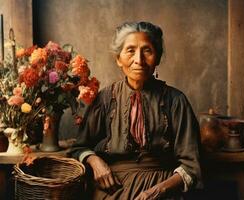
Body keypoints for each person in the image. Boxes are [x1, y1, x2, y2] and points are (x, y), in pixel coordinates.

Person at [59, 21, 202, 200]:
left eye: (147, 50)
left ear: (157, 57)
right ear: (118, 59)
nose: (139, 60)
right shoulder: (104, 98)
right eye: (130, 50)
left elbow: (191, 166)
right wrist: (95, 162)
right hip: (111, 189)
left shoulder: (175, 101)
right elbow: (79, 147)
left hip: (162, 190)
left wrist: (159, 190)